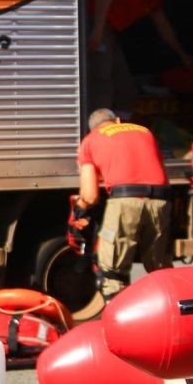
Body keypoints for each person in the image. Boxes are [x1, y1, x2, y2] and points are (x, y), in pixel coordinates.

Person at [75, 108, 173, 302]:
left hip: (124, 202)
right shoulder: (144, 131)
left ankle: (117, 317)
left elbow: (90, 196)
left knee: (112, 269)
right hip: (161, 202)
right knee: (160, 268)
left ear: (92, 128)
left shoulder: (90, 140)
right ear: (118, 120)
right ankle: (171, 308)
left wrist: (79, 207)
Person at [87, 0, 193, 117]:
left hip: (111, 33)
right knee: (102, 80)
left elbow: (164, 27)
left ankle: (121, 130)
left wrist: (182, 54)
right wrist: (97, 30)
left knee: (125, 89)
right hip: (97, 23)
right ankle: (97, 132)